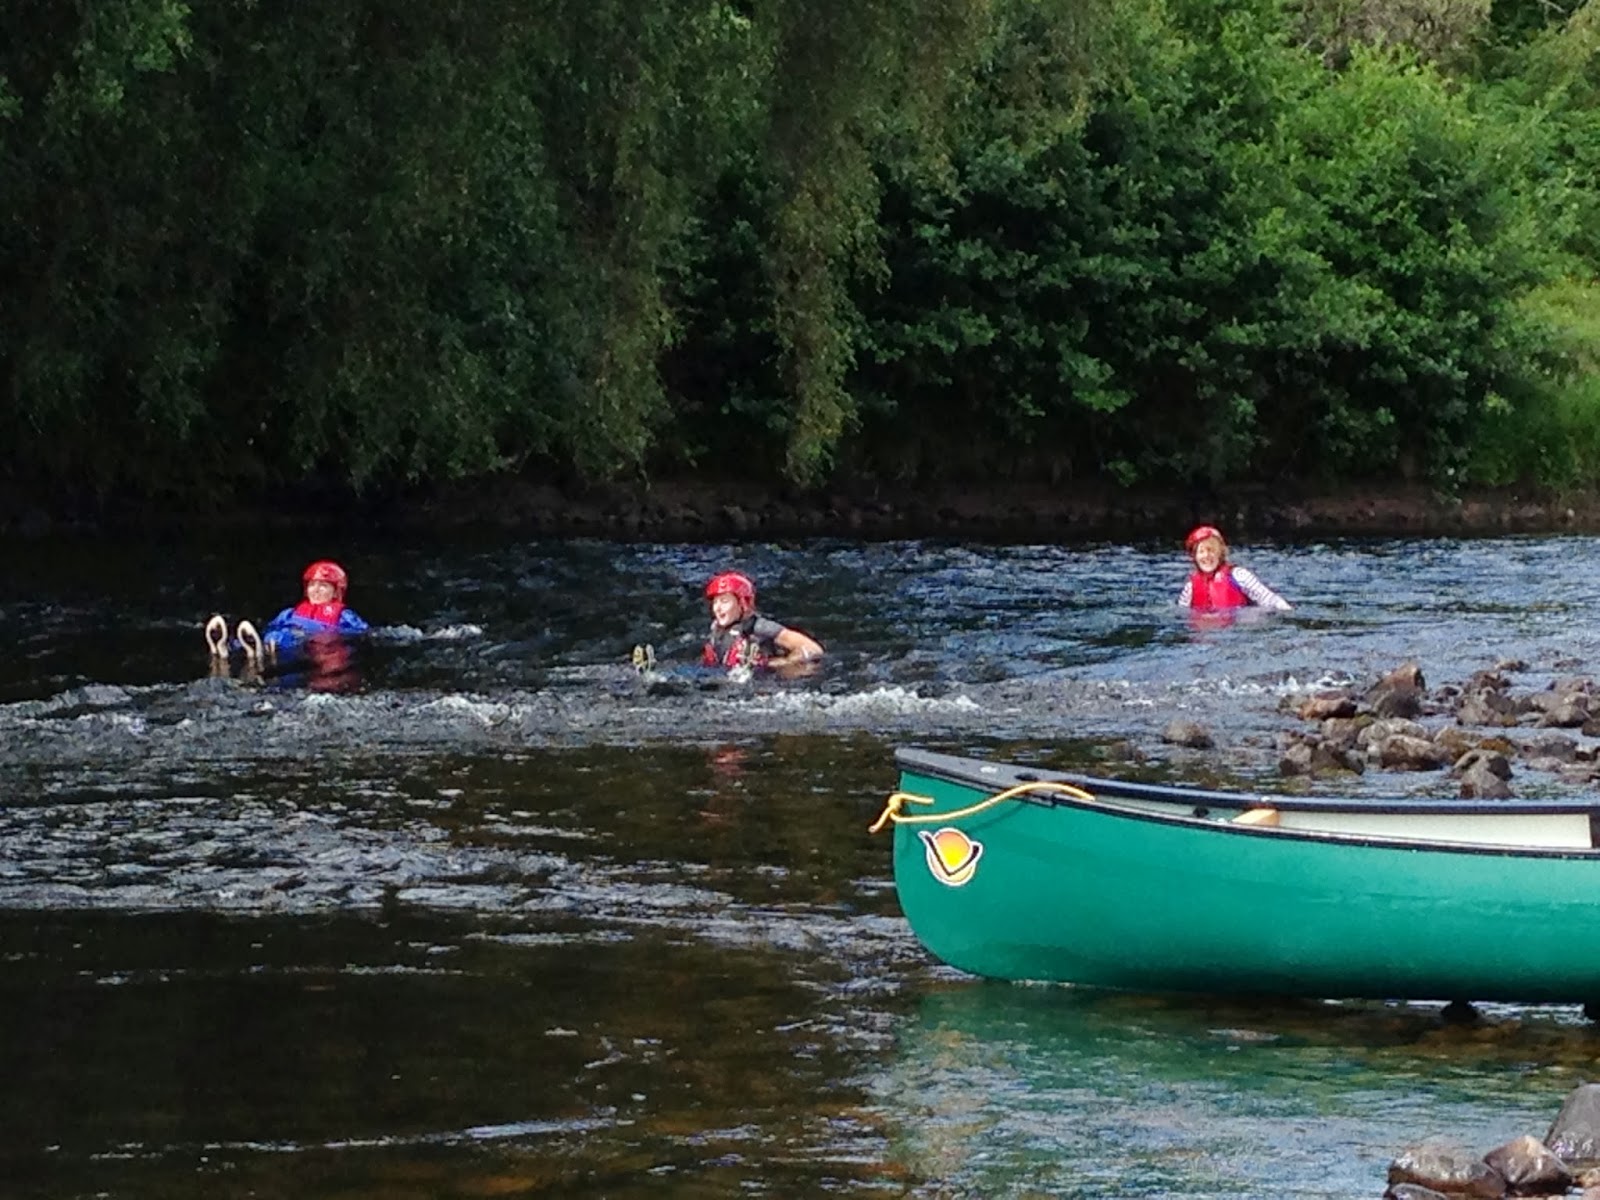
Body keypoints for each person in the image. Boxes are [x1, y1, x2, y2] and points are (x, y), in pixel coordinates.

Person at [206, 560, 370, 675]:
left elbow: (362, 632)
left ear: (335, 592)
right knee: (270, 636)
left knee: (287, 642)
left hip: (304, 644)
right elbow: (272, 626)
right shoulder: (290, 613)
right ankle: (229, 646)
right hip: (278, 637)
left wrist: (326, 635)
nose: (316, 590)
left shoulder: (343, 615)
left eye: (323, 586)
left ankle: (257, 653)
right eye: (312, 585)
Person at [702, 571, 822, 670]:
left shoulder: (760, 627)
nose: (717, 608)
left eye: (724, 601)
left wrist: (778, 663)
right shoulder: (716, 630)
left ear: (743, 603)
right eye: (715, 602)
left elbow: (813, 649)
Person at [1177, 525, 1291, 611]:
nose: (1206, 556)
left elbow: (1269, 599)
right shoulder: (1190, 588)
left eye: (1211, 550)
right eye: (1201, 551)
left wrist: (1287, 611)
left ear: (1220, 553)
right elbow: (1181, 612)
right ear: (1194, 557)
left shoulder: (1239, 575)